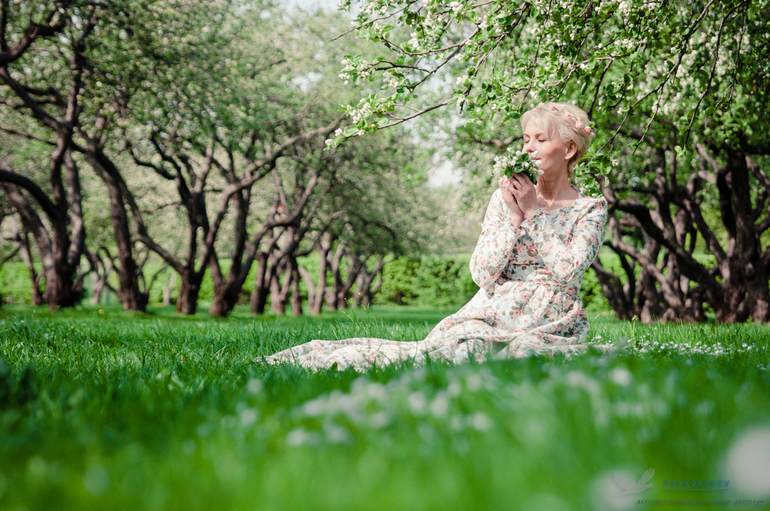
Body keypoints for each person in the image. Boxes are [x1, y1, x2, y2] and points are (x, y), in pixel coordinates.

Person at [262, 102, 609, 371]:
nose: (529, 148)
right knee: (455, 354)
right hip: (492, 312)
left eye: (541, 139)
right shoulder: (507, 201)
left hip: (551, 319)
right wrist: (514, 216)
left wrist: (533, 213)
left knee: (522, 355)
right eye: (526, 139)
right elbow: (482, 273)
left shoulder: (590, 208)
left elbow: (569, 271)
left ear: (568, 150)